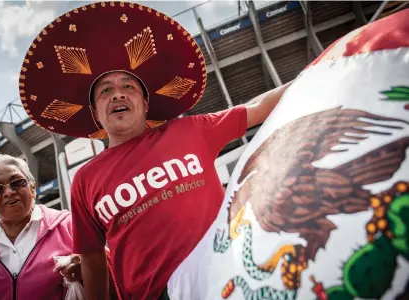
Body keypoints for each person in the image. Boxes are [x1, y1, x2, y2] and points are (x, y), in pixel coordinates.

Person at [18, 2, 291, 299]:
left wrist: (331, 63)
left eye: (129, 87)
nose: (118, 93)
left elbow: (256, 108)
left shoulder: (190, 130)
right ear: (95, 115)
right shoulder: (84, 180)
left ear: (146, 105)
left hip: (228, 279)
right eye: (105, 91)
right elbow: (93, 259)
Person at [0, 154, 98, 299]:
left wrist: (89, 270)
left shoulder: (70, 227)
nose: (8, 192)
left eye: (17, 182)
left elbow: (112, 267)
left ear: (32, 189)